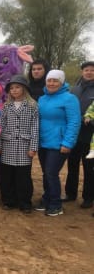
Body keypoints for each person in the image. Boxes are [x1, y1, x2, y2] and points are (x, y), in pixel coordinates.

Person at [35, 70, 80, 216]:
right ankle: (47, 198)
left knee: (51, 173)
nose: (51, 83)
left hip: (59, 143)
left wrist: (68, 143)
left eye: (55, 81)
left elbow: (74, 121)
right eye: (49, 80)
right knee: (45, 173)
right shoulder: (42, 99)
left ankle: (56, 204)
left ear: (61, 82)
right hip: (43, 142)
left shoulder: (69, 99)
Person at [0, 75, 39, 214]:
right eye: (12, 88)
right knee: (7, 175)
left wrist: (33, 147)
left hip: (24, 146)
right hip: (8, 145)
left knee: (23, 176)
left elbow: (35, 127)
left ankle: (25, 202)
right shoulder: (7, 106)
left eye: (17, 87)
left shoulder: (32, 106)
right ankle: (8, 200)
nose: (14, 90)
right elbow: (0, 126)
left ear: (24, 88)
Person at [63, 61, 94, 208]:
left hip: (90, 136)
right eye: (86, 70)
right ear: (82, 72)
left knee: (89, 167)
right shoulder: (75, 89)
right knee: (72, 164)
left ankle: (88, 197)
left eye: (92, 70)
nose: (89, 72)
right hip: (75, 133)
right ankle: (70, 193)